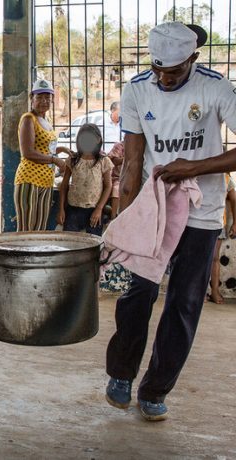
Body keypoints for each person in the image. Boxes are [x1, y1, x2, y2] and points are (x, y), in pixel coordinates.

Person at [106, 22, 236, 422]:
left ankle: (155, 388)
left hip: (202, 212)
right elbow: (132, 162)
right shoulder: (137, 89)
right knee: (137, 293)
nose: (164, 79)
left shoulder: (216, 87)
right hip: (155, 209)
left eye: (174, 72)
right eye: (158, 69)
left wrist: (191, 167)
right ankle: (122, 374)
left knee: (184, 303)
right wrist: (120, 222)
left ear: (193, 60)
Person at [16, 79, 71, 231]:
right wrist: (55, 160)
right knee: (26, 230)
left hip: (46, 180)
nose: (44, 101)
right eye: (39, 97)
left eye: (48, 97)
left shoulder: (46, 121)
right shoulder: (29, 119)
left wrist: (63, 150)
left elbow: (45, 148)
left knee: (39, 230)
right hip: (29, 180)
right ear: (31, 98)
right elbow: (28, 152)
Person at [56, 123, 112, 235]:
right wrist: (61, 209)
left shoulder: (103, 161)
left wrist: (99, 209)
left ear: (98, 140)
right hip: (73, 210)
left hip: (94, 210)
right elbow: (64, 185)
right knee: (71, 243)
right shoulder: (73, 159)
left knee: (93, 243)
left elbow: (108, 186)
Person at [209, 174, 236, 304]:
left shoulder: (226, 178)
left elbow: (234, 199)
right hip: (196, 223)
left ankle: (214, 290)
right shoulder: (201, 172)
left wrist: (235, 223)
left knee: (214, 258)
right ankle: (198, 291)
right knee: (197, 259)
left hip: (217, 222)